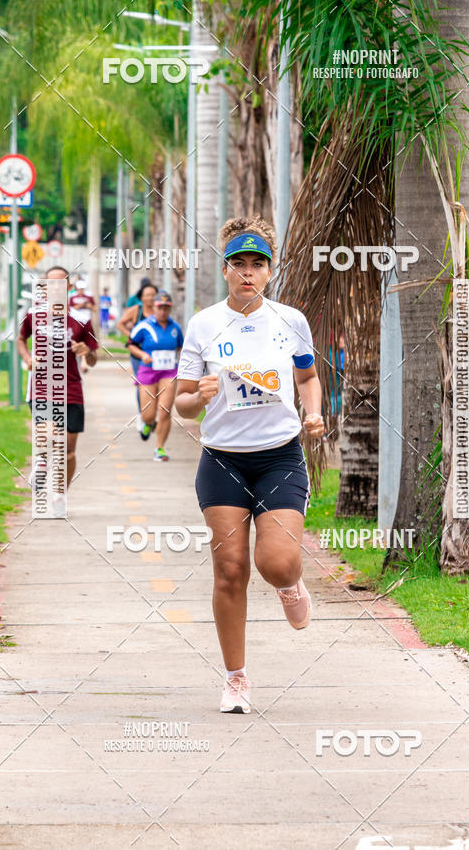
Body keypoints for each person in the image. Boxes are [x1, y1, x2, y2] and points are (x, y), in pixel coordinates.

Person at [175, 215, 324, 714]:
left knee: (275, 561)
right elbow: (181, 405)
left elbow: (307, 377)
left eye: (257, 264)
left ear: (269, 271)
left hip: (279, 455)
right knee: (230, 569)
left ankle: (289, 583)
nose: (247, 272)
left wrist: (315, 412)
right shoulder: (204, 324)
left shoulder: (291, 321)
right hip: (222, 460)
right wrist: (200, 392)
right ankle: (236, 678)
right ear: (225, 270)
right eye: (238, 263)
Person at [16, 265, 98, 512]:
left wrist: (87, 353)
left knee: (69, 451)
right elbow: (20, 338)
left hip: (71, 388)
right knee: (51, 436)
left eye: (60, 283)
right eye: (50, 284)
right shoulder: (33, 315)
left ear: (69, 287)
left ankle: (60, 496)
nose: (55, 288)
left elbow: (93, 357)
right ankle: (41, 464)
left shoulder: (81, 320)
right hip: (41, 386)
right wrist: (28, 358)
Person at [129, 291, 183, 461]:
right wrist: (142, 355)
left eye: (167, 308)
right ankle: (147, 423)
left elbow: (181, 347)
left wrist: (181, 362)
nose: (163, 312)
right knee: (149, 415)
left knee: (165, 410)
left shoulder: (175, 328)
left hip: (168, 371)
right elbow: (130, 344)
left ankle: (159, 448)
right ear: (154, 308)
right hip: (148, 371)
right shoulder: (144, 325)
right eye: (160, 308)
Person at [117, 282, 157, 432]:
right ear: (141, 297)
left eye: (153, 295)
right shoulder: (136, 310)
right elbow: (120, 324)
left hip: (157, 355)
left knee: (158, 384)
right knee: (142, 384)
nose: (151, 298)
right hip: (138, 353)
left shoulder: (160, 310)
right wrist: (132, 336)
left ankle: (152, 415)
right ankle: (143, 416)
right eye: (147, 295)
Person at [68, 279, 96, 373]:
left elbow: (94, 308)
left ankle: (84, 364)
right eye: (80, 289)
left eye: (83, 289)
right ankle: (81, 364)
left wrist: (88, 306)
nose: (81, 290)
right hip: (75, 322)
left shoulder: (89, 296)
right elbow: (71, 308)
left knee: (85, 344)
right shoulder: (72, 297)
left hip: (86, 321)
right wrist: (80, 305)